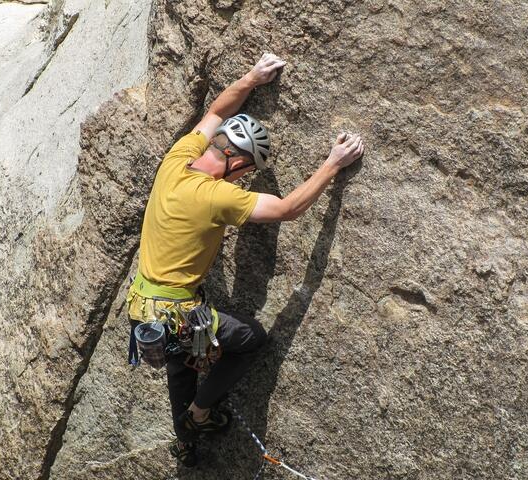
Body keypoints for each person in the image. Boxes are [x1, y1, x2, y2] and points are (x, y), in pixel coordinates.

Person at [126, 53, 365, 467]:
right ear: (236, 162)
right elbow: (288, 209)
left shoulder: (176, 159)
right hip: (177, 316)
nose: (242, 180)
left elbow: (216, 111)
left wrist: (252, 78)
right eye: (244, 172)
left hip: (141, 310)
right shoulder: (217, 195)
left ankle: (186, 443)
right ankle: (200, 413)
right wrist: (332, 164)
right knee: (250, 339)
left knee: (181, 367)